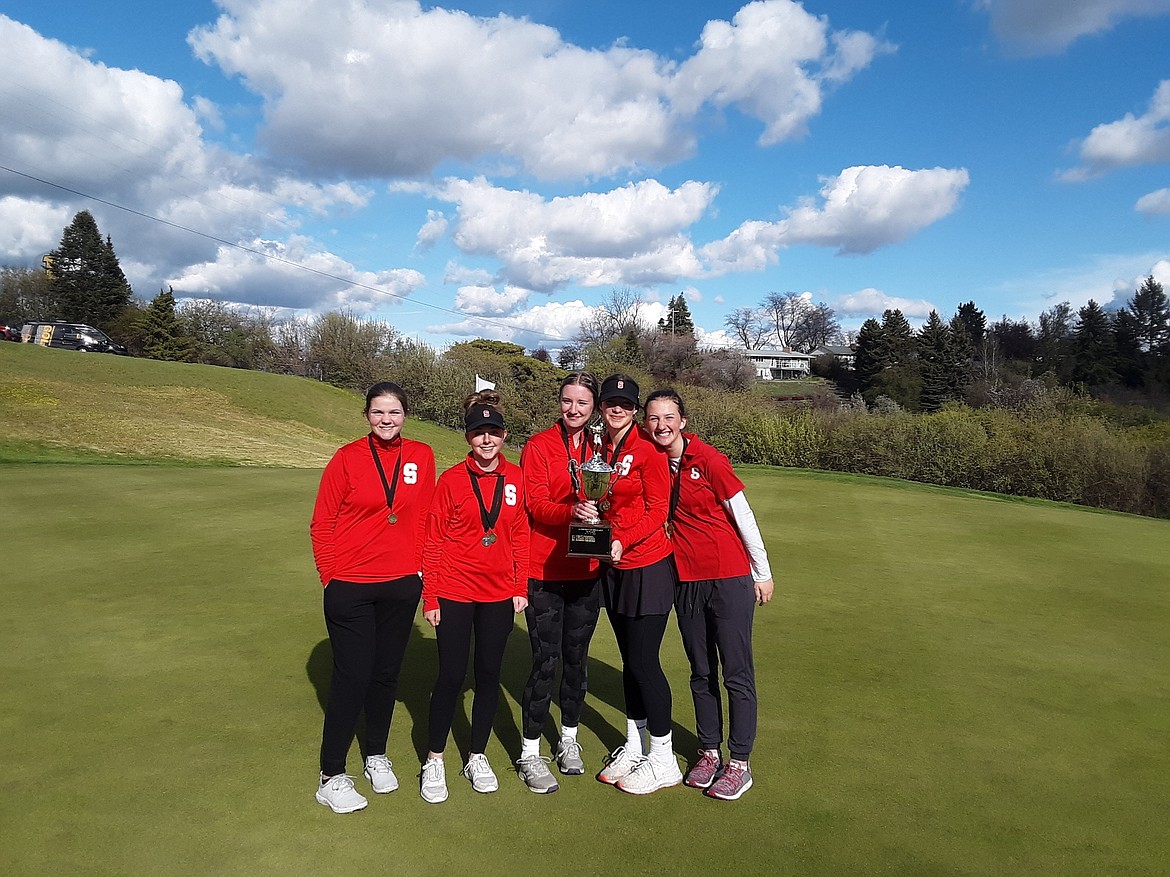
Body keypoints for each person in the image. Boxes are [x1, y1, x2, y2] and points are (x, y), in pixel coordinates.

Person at [309, 381, 436, 813]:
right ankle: (331, 775)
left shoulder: (421, 454)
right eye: (379, 412)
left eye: (395, 412)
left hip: (401, 584)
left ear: (405, 415)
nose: (387, 420)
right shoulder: (347, 458)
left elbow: (423, 517)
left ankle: (376, 754)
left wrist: (419, 572)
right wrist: (331, 576)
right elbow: (322, 523)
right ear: (367, 415)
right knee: (353, 676)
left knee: (385, 674)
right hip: (352, 586)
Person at [643, 388, 774, 801]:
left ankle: (739, 762)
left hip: (729, 577)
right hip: (686, 580)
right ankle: (709, 750)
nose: (661, 426)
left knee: (736, 673)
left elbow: (743, 515)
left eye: (669, 417)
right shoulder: (653, 463)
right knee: (700, 672)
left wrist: (762, 572)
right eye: (653, 419)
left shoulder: (710, 460)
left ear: (682, 420)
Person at [419, 390, 530, 804]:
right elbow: (432, 541)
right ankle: (434, 758)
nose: (487, 440)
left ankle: (476, 755)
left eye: (494, 432)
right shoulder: (450, 481)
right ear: (468, 437)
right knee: (450, 676)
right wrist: (430, 596)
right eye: (479, 433)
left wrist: (520, 586)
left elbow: (520, 534)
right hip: (453, 591)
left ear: (504, 435)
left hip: (499, 593)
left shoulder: (515, 478)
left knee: (488, 676)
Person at [592, 373, 683, 795]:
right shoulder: (600, 447)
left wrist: (621, 538)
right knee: (630, 661)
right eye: (611, 402)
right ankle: (635, 744)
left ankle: (663, 760)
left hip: (647, 566)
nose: (618, 409)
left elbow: (656, 510)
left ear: (635, 411)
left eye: (626, 405)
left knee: (645, 662)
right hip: (615, 569)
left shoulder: (648, 452)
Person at [515, 372, 603, 793]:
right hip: (544, 571)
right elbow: (534, 504)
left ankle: (569, 740)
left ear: (594, 406)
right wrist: (573, 513)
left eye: (582, 403)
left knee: (576, 661)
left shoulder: (603, 446)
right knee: (545, 662)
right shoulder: (538, 446)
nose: (573, 410)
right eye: (567, 401)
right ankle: (530, 752)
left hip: (586, 572)